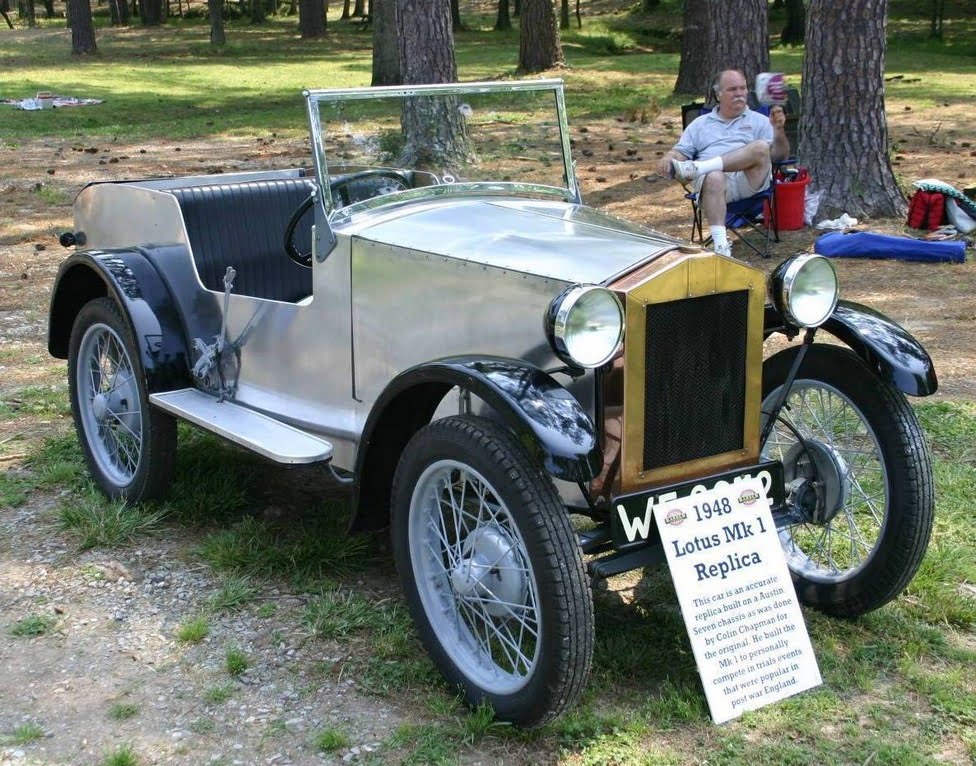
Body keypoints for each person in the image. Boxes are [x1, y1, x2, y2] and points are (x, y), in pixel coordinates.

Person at [656, 69, 790, 257]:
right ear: (718, 94)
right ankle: (721, 246)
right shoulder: (700, 124)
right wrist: (668, 158)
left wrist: (779, 131)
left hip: (748, 182)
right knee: (714, 176)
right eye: (732, 89)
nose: (739, 94)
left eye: (742, 88)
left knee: (760, 147)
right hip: (713, 186)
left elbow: (780, 157)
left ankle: (700, 167)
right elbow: (680, 151)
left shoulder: (761, 121)